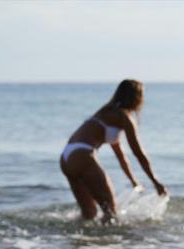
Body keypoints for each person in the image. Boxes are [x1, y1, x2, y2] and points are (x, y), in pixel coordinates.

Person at [59, 79, 167, 222]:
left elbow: (121, 156)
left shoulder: (106, 112)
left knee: (89, 213)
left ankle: (78, 242)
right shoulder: (123, 117)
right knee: (111, 211)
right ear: (136, 98)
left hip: (67, 158)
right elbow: (138, 153)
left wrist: (134, 181)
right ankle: (110, 243)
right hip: (82, 155)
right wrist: (156, 182)